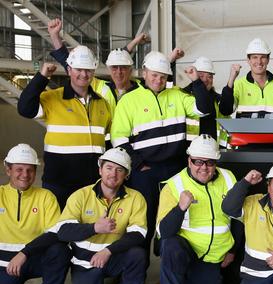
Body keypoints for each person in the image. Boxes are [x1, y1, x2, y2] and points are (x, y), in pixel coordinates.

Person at [111, 50, 212, 257]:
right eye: (154, 75)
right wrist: (138, 164)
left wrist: (196, 81)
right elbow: (119, 139)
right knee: (144, 220)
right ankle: (137, 268)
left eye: (163, 76)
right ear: (145, 73)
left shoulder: (177, 95)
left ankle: (166, 265)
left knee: (172, 219)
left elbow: (204, 108)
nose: (158, 80)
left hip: (175, 170)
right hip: (145, 172)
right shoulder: (129, 101)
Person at [56, 148, 148, 284]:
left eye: (119, 170)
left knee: (138, 255)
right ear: (100, 170)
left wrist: (108, 251)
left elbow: (139, 234)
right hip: (85, 262)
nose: (113, 174)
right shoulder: (80, 196)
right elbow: (63, 231)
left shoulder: (135, 198)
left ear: (126, 175)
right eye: (109, 168)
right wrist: (94, 227)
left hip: (114, 256)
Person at [156, 135, 237, 284]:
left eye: (209, 162)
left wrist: (233, 249)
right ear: (189, 161)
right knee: (171, 246)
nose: (203, 167)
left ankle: (172, 283)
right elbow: (164, 232)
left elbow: (240, 218)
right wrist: (180, 208)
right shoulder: (174, 186)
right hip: (186, 249)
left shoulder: (228, 178)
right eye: (198, 161)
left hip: (213, 255)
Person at [17, 48, 111, 209]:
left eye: (88, 70)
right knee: (57, 230)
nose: (84, 74)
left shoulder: (102, 103)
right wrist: (42, 77)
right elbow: (25, 108)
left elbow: (107, 141)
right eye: (79, 69)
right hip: (58, 183)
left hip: (91, 183)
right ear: (69, 70)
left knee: (89, 230)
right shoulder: (52, 98)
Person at [0, 144, 70, 284]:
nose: (25, 174)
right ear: (8, 170)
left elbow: (55, 233)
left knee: (60, 250)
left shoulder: (46, 197)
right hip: (5, 266)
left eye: (30, 170)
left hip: (34, 259)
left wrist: (24, 253)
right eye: (19, 169)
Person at [47, 17, 145, 115]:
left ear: (130, 70)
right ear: (109, 69)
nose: (119, 72)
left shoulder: (143, 90)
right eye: (114, 67)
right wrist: (55, 36)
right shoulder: (99, 86)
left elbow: (122, 57)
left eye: (123, 67)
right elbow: (70, 62)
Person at [228, 38, 273, 118]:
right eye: (255, 57)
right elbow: (226, 111)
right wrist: (231, 79)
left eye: (263, 57)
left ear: (268, 59)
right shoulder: (238, 84)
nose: (259, 61)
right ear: (248, 60)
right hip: (245, 131)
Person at [184, 57, 233, 147]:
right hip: (191, 152)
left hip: (215, 151)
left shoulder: (218, 99)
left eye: (209, 76)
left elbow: (228, 112)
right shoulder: (183, 96)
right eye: (201, 76)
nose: (206, 80)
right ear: (193, 76)